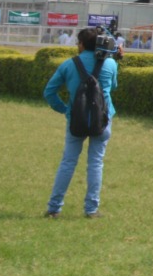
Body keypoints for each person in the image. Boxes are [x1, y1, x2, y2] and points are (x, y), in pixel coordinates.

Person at [42, 28, 119, 219]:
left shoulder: (69, 64)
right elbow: (113, 86)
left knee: (68, 162)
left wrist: (65, 109)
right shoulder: (110, 63)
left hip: (76, 119)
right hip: (103, 119)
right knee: (96, 163)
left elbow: (49, 92)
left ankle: (54, 207)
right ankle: (91, 209)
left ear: (83, 44)